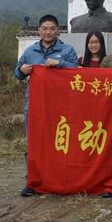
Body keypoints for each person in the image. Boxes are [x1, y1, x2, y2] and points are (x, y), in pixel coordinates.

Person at [15, 14, 79, 196]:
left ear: (58, 30)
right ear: (39, 30)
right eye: (44, 28)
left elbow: (77, 73)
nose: (48, 32)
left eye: (52, 28)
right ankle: (33, 180)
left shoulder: (67, 50)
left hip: (61, 106)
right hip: (35, 105)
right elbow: (18, 73)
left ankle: (60, 179)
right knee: (35, 143)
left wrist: (60, 63)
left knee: (60, 142)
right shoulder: (30, 51)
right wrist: (22, 70)